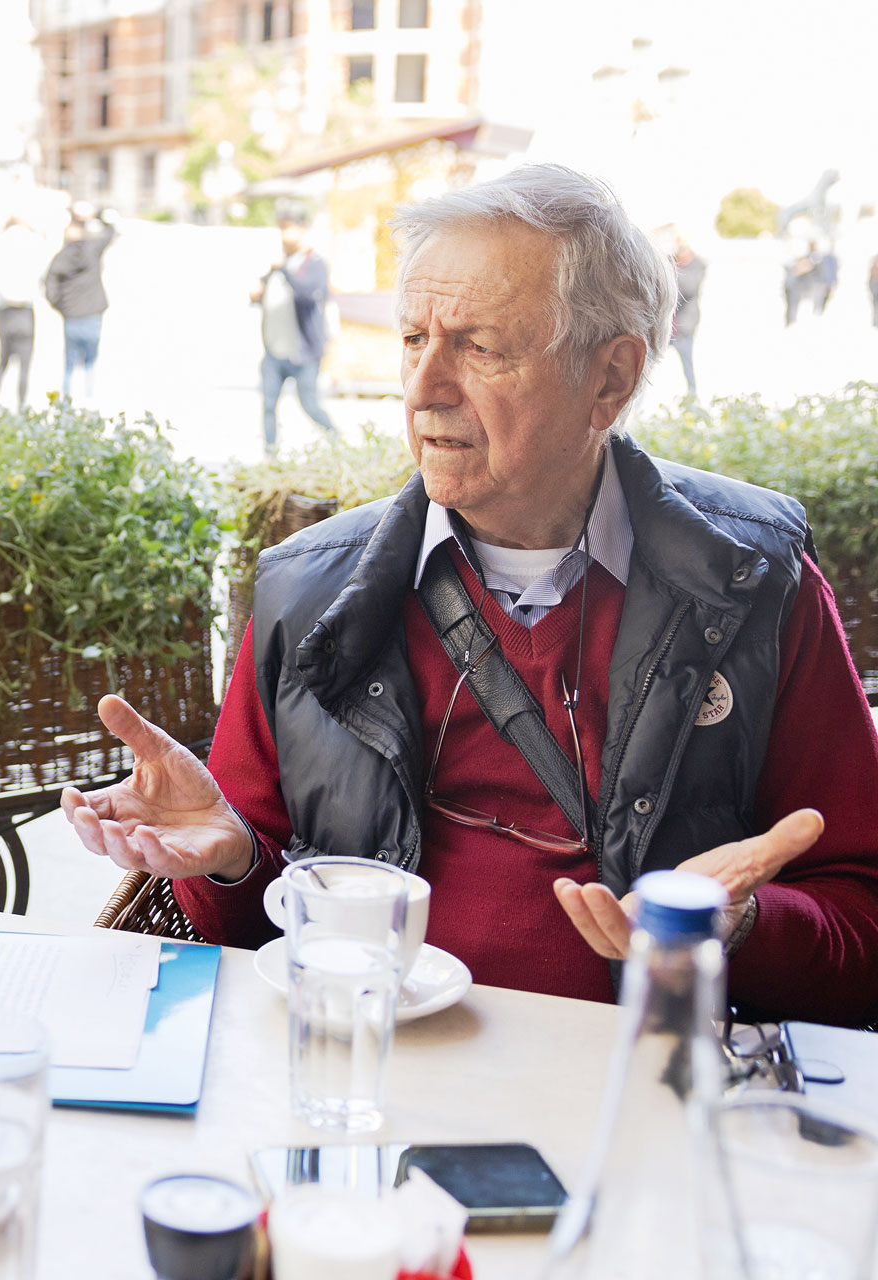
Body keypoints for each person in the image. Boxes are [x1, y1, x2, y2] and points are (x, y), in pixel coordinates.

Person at [62, 164, 878, 1028]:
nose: (422, 389)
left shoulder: (751, 581)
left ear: (609, 379)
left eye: (479, 347)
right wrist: (225, 860)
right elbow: (246, 927)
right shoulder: (308, 590)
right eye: (414, 340)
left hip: (642, 1092)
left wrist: (740, 926)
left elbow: (863, 930)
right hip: (377, 1067)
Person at [249, 207, 337, 454]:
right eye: (282, 228)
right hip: (274, 351)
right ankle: (270, 456)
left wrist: (284, 270)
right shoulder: (279, 264)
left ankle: (338, 443)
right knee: (267, 405)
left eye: (289, 228)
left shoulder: (313, 263)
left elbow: (309, 294)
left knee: (310, 404)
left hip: (303, 353)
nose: (284, 234)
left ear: (302, 229)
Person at [45, 202, 117, 401]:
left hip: (73, 317)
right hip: (93, 314)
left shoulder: (60, 259)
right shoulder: (91, 251)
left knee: (69, 364)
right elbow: (110, 233)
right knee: (90, 363)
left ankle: (68, 402)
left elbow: (49, 289)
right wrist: (98, 215)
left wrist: (62, 307)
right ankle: (88, 400)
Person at [0, 217, 44, 410]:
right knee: (24, 364)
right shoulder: (34, 243)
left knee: (2, 360)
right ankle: (21, 406)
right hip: (24, 308)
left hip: (2, 309)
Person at [668, 232, 705, 399]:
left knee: (688, 367)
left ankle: (693, 398)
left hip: (684, 326)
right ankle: (636, 407)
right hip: (665, 327)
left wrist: (670, 278)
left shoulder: (698, 265)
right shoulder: (668, 261)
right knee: (647, 368)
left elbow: (689, 289)